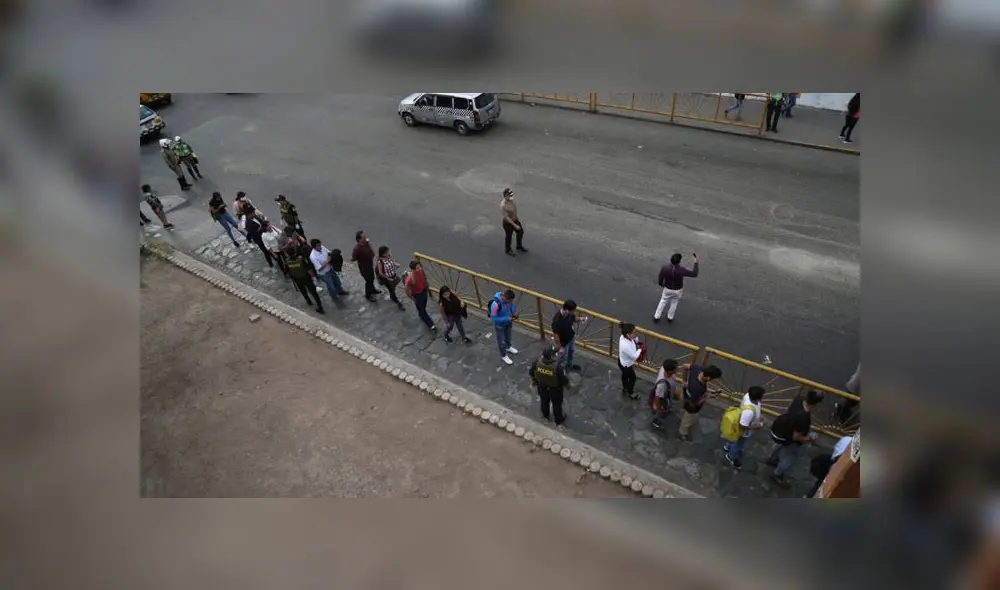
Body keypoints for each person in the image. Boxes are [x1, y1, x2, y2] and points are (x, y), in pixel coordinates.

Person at [766, 389, 823, 488]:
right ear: (816, 403)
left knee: (780, 445)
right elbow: (796, 437)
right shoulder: (804, 418)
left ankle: (772, 458)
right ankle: (777, 474)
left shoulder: (799, 399)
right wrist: (808, 439)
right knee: (792, 457)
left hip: (782, 428)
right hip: (788, 436)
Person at [676, 363, 723, 442]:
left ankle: (683, 419)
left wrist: (684, 381)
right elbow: (694, 403)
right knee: (689, 418)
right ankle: (682, 433)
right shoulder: (697, 388)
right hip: (691, 405)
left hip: (686, 393)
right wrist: (707, 398)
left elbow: (685, 366)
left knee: (686, 411)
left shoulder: (697, 368)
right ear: (708, 377)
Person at [723, 385, 766, 470]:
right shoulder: (748, 412)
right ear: (758, 398)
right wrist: (755, 426)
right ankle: (731, 456)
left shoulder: (747, 396)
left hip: (745, 424)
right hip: (744, 432)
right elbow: (743, 425)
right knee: (739, 444)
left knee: (736, 440)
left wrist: (758, 416)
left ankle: (728, 446)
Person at [529, 344, 570, 426]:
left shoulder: (536, 363)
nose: (556, 355)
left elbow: (531, 373)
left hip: (542, 388)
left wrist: (534, 382)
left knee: (544, 402)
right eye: (555, 353)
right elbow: (563, 380)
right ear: (551, 356)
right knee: (557, 405)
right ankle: (558, 420)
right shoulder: (557, 367)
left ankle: (545, 415)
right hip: (555, 390)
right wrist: (568, 386)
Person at [653, 252, 699, 324]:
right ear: (679, 261)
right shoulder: (682, 270)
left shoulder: (665, 268)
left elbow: (660, 278)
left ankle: (657, 316)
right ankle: (670, 317)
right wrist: (696, 262)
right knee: (674, 302)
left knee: (663, 301)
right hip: (678, 289)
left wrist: (661, 284)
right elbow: (694, 274)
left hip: (667, 288)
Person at [284, 241, 324, 314]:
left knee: (303, 291)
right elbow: (309, 269)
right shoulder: (301, 259)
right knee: (314, 293)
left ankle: (308, 301)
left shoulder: (287, 261)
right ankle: (320, 307)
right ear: (294, 251)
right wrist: (314, 278)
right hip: (306, 278)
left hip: (297, 279)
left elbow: (287, 272)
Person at [551, 300, 587, 372]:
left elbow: (574, 319)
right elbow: (556, 335)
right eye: (573, 311)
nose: (574, 312)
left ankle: (569, 365)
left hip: (571, 337)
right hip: (563, 342)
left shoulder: (569, 314)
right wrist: (560, 347)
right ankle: (557, 370)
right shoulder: (557, 320)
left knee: (571, 351)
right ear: (567, 310)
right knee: (562, 357)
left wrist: (580, 319)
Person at [404, 261, 437, 332]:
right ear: (413, 270)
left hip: (423, 291)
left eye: (419, 267)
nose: (419, 269)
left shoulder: (421, 271)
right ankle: (431, 325)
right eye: (417, 268)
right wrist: (412, 298)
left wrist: (427, 287)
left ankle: (421, 313)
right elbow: (407, 290)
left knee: (423, 306)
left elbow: (424, 279)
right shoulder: (410, 279)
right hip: (417, 295)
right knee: (422, 310)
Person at [488, 289, 519, 365]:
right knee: (501, 341)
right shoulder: (495, 305)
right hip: (500, 325)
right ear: (505, 298)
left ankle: (508, 347)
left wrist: (514, 312)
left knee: (508, 337)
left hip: (508, 322)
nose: (510, 302)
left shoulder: (508, 301)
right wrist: (506, 318)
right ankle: (503, 355)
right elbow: (494, 318)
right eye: (510, 300)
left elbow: (511, 306)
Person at [649, 358, 679, 430]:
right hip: (663, 401)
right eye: (675, 368)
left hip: (668, 396)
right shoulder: (662, 386)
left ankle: (664, 412)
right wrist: (659, 408)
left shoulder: (664, 368)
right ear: (669, 371)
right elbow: (657, 398)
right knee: (659, 414)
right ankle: (656, 421)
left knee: (665, 409)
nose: (677, 369)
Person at [241, 204, 274, 269]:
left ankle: (273, 255)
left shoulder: (255, 216)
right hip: (259, 239)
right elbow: (255, 233)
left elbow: (261, 222)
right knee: (266, 251)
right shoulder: (248, 224)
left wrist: (265, 222)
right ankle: (270, 263)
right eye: (253, 212)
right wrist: (262, 228)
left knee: (270, 247)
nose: (254, 213)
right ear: (249, 214)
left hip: (265, 235)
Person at [351, 230, 381, 302]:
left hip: (370, 265)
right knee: (368, 281)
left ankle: (373, 289)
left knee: (372, 278)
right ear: (359, 239)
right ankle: (368, 295)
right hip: (364, 268)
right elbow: (354, 258)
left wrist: (368, 244)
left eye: (365, 237)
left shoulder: (366, 243)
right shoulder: (357, 249)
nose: (365, 238)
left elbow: (371, 250)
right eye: (363, 238)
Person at [375, 246, 405, 310]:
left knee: (394, 286)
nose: (388, 253)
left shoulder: (389, 256)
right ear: (383, 254)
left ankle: (392, 294)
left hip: (393, 275)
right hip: (388, 279)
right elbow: (380, 273)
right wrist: (388, 278)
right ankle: (397, 302)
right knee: (392, 290)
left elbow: (392, 262)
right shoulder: (380, 262)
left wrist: (396, 265)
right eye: (387, 252)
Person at [618, 322, 642, 400]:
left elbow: (633, 340)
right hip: (626, 365)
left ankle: (625, 388)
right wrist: (640, 349)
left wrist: (635, 340)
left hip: (622, 362)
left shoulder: (623, 337)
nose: (635, 334)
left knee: (625, 375)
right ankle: (630, 392)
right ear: (628, 334)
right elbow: (634, 356)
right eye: (634, 333)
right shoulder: (625, 346)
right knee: (633, 378)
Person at [500, 188, 527, 256]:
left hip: (515, 219)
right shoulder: (503, 205)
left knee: (520, 232)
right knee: (509, 236)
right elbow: (506, 218)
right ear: (506, 196)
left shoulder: (512, 200)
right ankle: (508, 249)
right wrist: (515, 225)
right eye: (509, 196)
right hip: (508, 223)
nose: (511, 198)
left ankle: (519, 246)